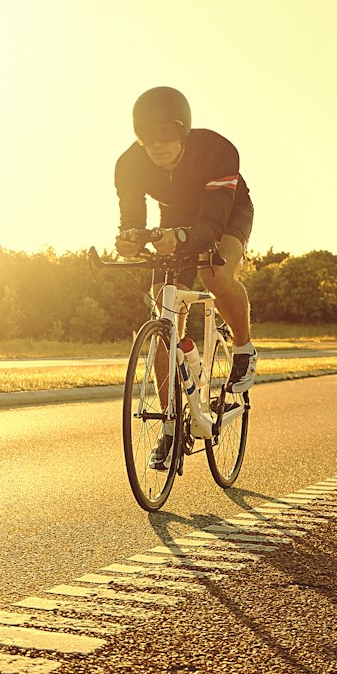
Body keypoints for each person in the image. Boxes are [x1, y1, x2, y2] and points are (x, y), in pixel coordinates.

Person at [112, 85, 257, 470]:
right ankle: (171, 424)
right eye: (147, 135)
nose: (157, 144)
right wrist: (130, 240)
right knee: (163, 309)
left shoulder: (217, 151)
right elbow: (133, 220)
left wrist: (179, 238)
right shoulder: (129, 164)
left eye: (166, 132)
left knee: (215, 271)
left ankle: (244, 350)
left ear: (184, 132)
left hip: (226, 214)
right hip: (175, 218)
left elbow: (210, 224)